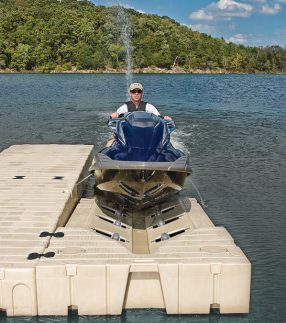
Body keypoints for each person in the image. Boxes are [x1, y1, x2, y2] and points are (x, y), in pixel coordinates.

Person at [106, 82, 172, 147]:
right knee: (109, 144)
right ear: (130, 94)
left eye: (139, 91)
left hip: (148, 136)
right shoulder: (124, 108)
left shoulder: (149, 107)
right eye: (134, 91)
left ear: (142, 94)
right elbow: (113, 121)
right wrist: (113, 116)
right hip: (127, 137)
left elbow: (158, 118)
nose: (136, 93)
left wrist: (165, 118)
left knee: (167, 145)